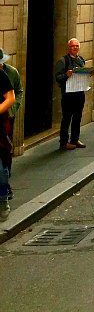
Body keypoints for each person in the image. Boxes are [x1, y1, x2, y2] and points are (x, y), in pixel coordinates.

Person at [55, 38, 93, 150]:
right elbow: (58, 78)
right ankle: (63, 142)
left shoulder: (81, 60)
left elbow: (82, 74)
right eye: (73, 46)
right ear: (69, 47)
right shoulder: (63, 61)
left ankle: (75, 140)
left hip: (79, 93)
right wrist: (66, 75)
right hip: (68, 94)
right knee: (66, 118)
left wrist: (89, 73)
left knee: (78, 118)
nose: (75, 48)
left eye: (76, 46)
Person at [0, 49, 22, 203]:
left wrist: (12, 109)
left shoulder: (9, 73)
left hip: (5, 119)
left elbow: (16, 93)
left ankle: (4, 191)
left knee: (5, 154)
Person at [0, 54, 16, 220]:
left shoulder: (2, 75)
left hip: (0, 126)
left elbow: (11, 98)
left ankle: (3, 199)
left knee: (1, 168)